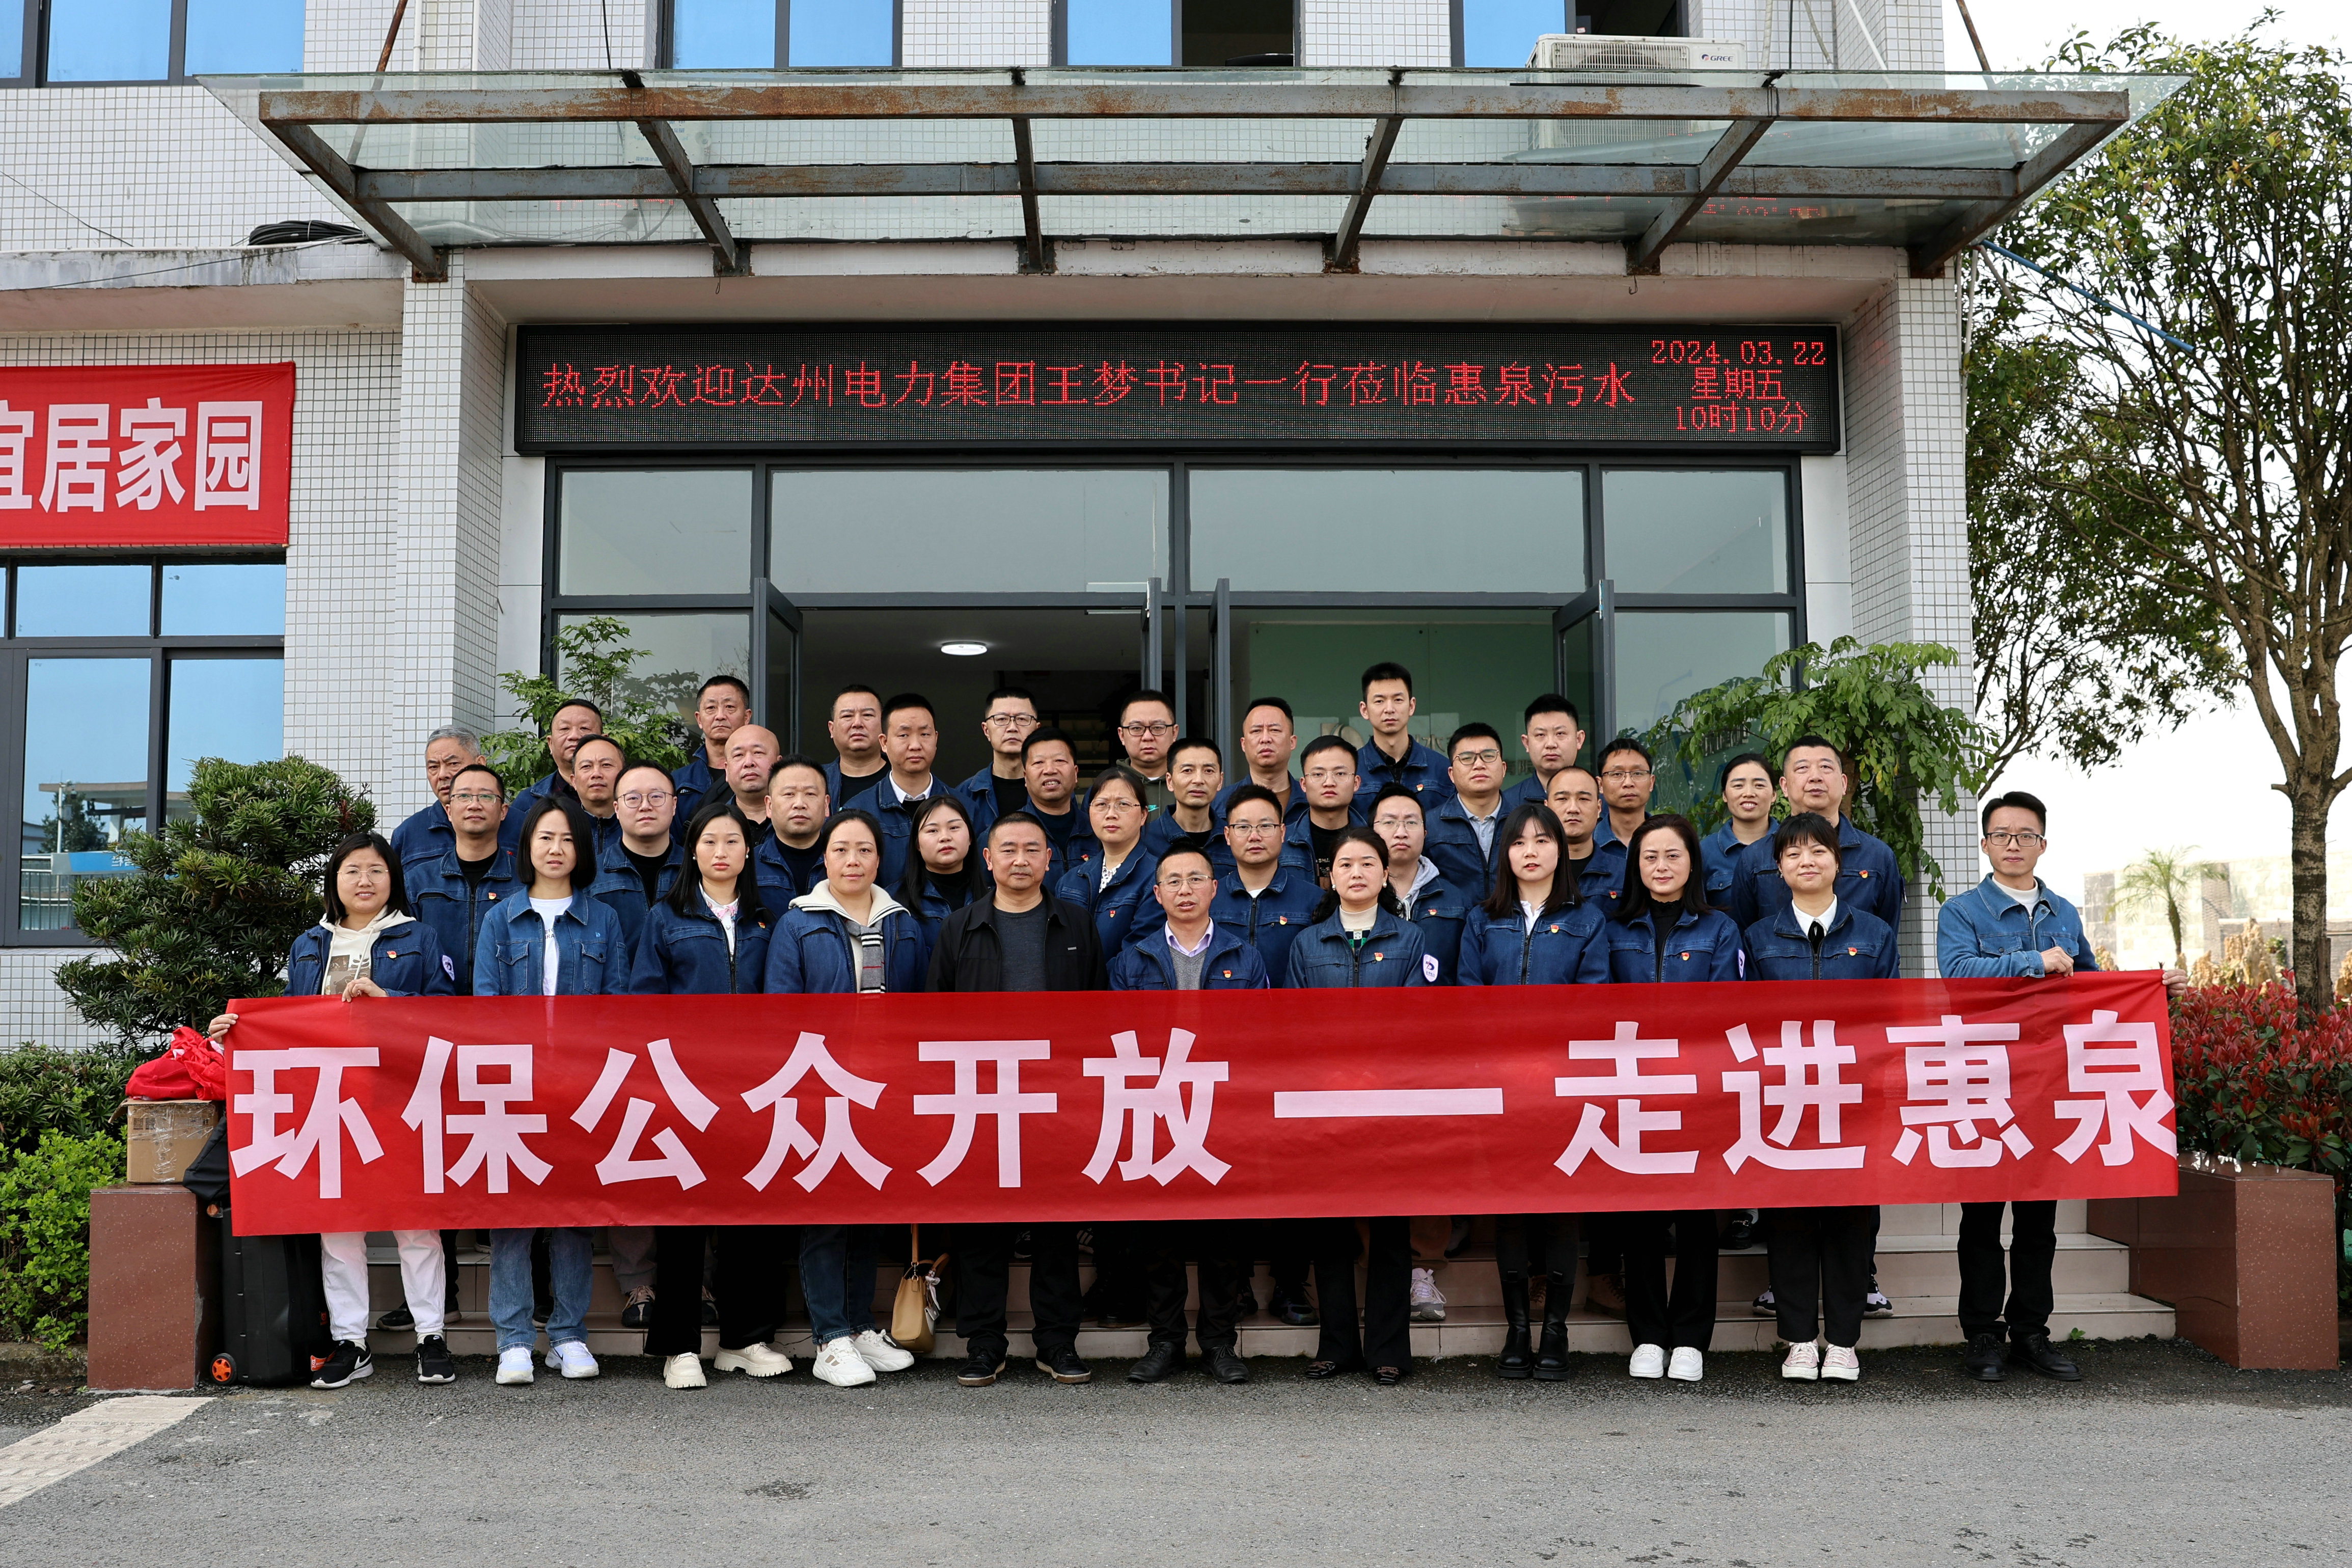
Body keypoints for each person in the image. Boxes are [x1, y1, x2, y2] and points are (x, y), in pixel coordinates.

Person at [1935, 791, 2188, 1383]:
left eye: (2025, 835)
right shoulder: (1961, 911)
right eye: (2002, 834)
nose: (2013, 844)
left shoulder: (2064, 913)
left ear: (2042, 844)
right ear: (1984, 844)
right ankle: (1982, 1335)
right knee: (1980, 1218)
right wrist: (2033, 961)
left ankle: (2031, 1332)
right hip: (1985, 1078)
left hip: (2049, 1081)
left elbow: (2092, 985)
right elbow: (1958, 975)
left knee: (2037, 1220)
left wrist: (2149, 988)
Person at [207, 833, 456, 1390]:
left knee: (417, 1222)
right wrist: (238, 1031)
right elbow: (288, 1019)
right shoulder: (308, 943)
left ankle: (431, 1336)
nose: (365, 881)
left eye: (376, 870)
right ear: (334, 881)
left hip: (402, 1096)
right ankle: (351, 1342)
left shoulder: (420, 937)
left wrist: (390, 1003)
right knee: (339, 1226)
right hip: (327, 1099)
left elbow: (449, 1013)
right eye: (352, 871)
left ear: (394, 879)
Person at [926, 811, 1107, 1387]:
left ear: (1050, 859)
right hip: (981, 1094)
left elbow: (1099, 1010)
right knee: (982, 1225)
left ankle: (1058, 1341)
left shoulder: (1076, 923)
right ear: (988, 859)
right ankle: (984, 1343)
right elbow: (936, 1016)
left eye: (1033, 849)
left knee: (1056, 1224)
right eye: (1008, 849)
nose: (1021, 859)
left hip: (1058, 1094)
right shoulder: (960, 926)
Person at [627, 799, 790, 1389]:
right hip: (686, 1087)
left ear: (748, 851)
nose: (721, 851)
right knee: (684, 1217)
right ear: (692, 851)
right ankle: (679, 1345)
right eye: (710, 841)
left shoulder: (769, 916)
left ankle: (744, 1338)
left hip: (756, 1088)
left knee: (752, 1214)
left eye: (732, 841)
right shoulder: (665, 917)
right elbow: (645, 1003)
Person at [471, 796, 632, 1388]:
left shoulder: (603, 918)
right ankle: (513, 1340)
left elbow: (616, 1007)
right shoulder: (500, 918)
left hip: (580, 1088)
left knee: (572, 1216)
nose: (556, 848)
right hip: (513, 1087)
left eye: (567, 838)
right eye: (545, 837)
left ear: (581, 850)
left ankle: (568, 1335)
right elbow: (486, 1006)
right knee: (512, 1217)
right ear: (527, 848)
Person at [766, 808, 927, 1389]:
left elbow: (920, 1012)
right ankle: (829, 1337)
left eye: (863, 850)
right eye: (841, 850)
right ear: (825, 859)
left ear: (879, 859)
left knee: (870, 1213)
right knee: (827, 1215)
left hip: (884, 1088)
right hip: (821, 1087)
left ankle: (860, 1326)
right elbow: (781, 1010)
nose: (852, 860)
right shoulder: (799, 923)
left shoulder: (903, 924)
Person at [1745, 810, 1899, 1385]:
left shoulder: (1874, 935)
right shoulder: (1758, 937)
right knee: (1787, 1218)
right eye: (1793, 853)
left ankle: (1844, 1341)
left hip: (1853, 1096)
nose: (1805, 861)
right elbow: (1744, 1020)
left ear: (1839, 862)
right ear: (1778, 868)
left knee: (1849, 1219)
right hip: (1782, 1096)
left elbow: (1887, 1016)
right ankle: (1798, 1340)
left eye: (1818, 851)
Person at [1458, 802, 1608, 1382]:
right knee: (1512, 1210)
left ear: (1559, 850)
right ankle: (1517, 1328)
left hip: (1562, 1085)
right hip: (1500, 1085)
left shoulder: (1587, 919)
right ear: (1506, 854)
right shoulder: (1482, 919)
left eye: (1542, 840)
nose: (1530, 851)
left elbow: (1592, 1002)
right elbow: (1468, 998)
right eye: (1519, 842)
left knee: (1561, 1208)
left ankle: (1556, 1331)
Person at [1106, 846, 1267, 1385]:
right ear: (1157, 894)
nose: (1185, 889)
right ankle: (1166, 1342)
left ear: (1214, 888)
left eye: (1196, 878)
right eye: (1173, 881)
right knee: (1160, 1236)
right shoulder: (1132, 961)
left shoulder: (1245, 956)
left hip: (1222, 1107)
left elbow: (1258, 1036)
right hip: (1156, 1107)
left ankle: (1220, 1343)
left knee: (1223, 1236)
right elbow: (1120, 1040)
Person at [1283, 828, 1429, 1385]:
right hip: (1325, 1100)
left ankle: (1388, 1349)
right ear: (1331, 877)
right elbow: (1294, 1025)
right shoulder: (1307, 943)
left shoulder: (1410, 938)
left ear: (1385, 874)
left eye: (1368, 863)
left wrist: (1376, 1070)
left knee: (1391, 1228)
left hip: (1391, 1099)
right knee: (1330, 1226)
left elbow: (1418, 1021)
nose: (1357, 873)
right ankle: (1337, 1344)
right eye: (1346, 864)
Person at [1602, 815, 1743, 1386]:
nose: (1661, 866)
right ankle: (1647, 1335)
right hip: (1632, 1085)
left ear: (1693, 863)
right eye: (1650, 856)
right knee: (1639, 1215)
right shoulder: (1612, 927)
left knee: (1696, 1217)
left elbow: (1728, 1008)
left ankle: (1689, 1337)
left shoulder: (1720, 928)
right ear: (1635, 866)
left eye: (1673, 855)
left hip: (1697, 1086)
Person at [1726, 736, 1904, 939]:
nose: (1815, 777)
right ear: (1784, 786)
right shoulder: (1754, 858)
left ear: (1844, 784)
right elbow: (1743, 941)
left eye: (1826, 768)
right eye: (1802, 768)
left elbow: (1886, 940)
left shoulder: (1878, 857)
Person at [411, 761, 519, 998]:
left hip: (506, 1011)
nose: (474, 805)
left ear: (503, 811)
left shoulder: (526, 880)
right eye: (464, 796)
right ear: (449, 811)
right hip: (435, 1008)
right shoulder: (418, 882)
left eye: (486, 796)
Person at [1369, 783, 1475, 985]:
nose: (1401, 832)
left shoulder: (1456, 902)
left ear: (1425, 833)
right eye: (1389, 822)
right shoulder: (1358, 897)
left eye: (1411, 822)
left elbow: (1465, 978)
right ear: (1372, 832)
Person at [390, 724, 521, 873]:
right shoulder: (407, 835)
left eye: (453, 764)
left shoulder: (523, 828)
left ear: (480, 764)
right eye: (433, 767)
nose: (442, 775)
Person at [1055, 765, 1158, 954]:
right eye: (1102, 805)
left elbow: (1139, 954)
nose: (1111, 814)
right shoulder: (1070, 882)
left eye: (1123, 805)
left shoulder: (1157, 878)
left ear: (1144, 815)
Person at [847, 694, 939, 890]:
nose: (915, 745)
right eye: (904, 735)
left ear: (936, 739)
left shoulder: (963, 808)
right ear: (884, 743)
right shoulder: (857, 811)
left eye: (925, 734)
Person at [588, 758, 680, 948]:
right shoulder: (591, 876)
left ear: (674, 805)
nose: (645, 806)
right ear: (617, 809)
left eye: (656, 796)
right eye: (633, 798)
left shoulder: (697, 870)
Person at [1354, 662, 1454, 809]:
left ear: (1412, 706)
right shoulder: (1352, 771)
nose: (1389, 709)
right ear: (1364, 710)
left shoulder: (1442, 769)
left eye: (1398, 700)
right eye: (1379, 701)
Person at [1425, 723, 1510, 894]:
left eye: (1488, 756)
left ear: (1503, 769)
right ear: (1451, 774)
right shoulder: (1429, 826)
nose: (1479, 765)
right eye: (1467, 758)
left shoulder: (1524, 821)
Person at [899, 793, 988, 950]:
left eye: (954, 828)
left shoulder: (994, 899)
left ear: (970, 837)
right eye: (933, 830)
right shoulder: (896, 903)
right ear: (917, 844)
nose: (945, 837)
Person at [955, 685, 1041, 836]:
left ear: (1036, 729)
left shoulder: (1052, 790)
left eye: (1022, 719)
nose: (1012, 728)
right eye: (1002, 719)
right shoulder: (965, 794)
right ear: (986, 730)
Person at [1018, 726, 1095, 881]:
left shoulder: (1099, 832)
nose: (1050, 770)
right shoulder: (1006, 834)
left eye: (1059, 761)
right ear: (1025, 777)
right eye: (1039, 762)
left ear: (1076, 773)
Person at [751, 756, 828, 908]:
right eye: (789, 794)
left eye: (810, 794)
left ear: (826, 805)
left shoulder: (844, 864)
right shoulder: (747, 866)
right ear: (769, 806)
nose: (799, 804)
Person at [1217, 696, 1307, 826]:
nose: (1265, 739)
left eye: (1275, 730)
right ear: (1243, 744)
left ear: (1292, 742)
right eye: (1256, 731)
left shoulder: (1312, 801)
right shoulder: (1219, 804)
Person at [1545, 766, 1628, 903]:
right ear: (1547, 807)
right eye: (1562, 799)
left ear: (1599, 808)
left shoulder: (1624, 873)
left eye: (1583, 799)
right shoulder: (1532, 871)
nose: (1573, 809)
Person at [671, 674, 751, 818]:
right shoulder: (679, 782)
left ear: (747, 717)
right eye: (711, 708)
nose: (720, 716)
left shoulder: (760, 775)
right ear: (699, 719)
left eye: (730, 707)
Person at [510, 698, 605, 818]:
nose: (574, 736)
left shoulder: (623, 795)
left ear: (604, 741)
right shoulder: (527, 802)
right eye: (565, 729)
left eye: (584, 728)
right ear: (550, 744)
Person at [1702, 751, 1777, 902]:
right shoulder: (1705, 852)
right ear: (1724, 795)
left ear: (1774, 795)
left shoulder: (1793, 843)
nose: (1749, 793)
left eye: (1759, 785)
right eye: (1738, 786)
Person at [1141, 735, 1224, 863]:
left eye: (1208, 771)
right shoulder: (1144, 839)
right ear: (1170, 781)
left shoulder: (1233, 838)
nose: (1198, 780)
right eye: (1188, 770)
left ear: (1220, 781)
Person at [1295, 735, 1363, 885]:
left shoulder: (1373, 841)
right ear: (1304, 784)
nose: (1329, 783)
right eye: (1318, 774)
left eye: (1340, 774)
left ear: (1356, 783)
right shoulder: (1282, 843)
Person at [1502, 695, 1588, 811]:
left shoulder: (1602, 801)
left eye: (1560, 734)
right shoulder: (1507, 805)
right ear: (1527, 743)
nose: (1551, 744)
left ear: (1579, 739)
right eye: (1541, 735)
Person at [823, 684, 889, 804]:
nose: (857, 723)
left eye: (867, 715)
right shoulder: (816, 780)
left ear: (884, 726)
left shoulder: (903, 780)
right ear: (832, 729)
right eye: (847, 716)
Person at [1115, 690, 1180, 810]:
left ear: (1174, 733)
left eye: (1158, 727)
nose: (1147, 737)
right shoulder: (1105, 787)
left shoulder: (1191, 786)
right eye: (1137, 728)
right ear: (1122, 735)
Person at [721, 724, 782, 842]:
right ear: (727, 770)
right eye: (739, 755)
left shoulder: (802, 819)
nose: (749, 763)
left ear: (779, 765)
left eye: (758, 753)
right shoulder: (711, 825)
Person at [567, 731, 625, 855]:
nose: (596, 774)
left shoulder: (640, 826)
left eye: (606, 765)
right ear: (574, 781)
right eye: (586, 766)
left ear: (624, 776)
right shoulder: (562, 826)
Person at [1593, 736, 1656, 850]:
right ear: (1600, 785)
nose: (1628, 783)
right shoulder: (1586, 845)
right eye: (1617, 774)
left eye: (1638, 773)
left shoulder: (1673, 841)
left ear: (1651, 783)